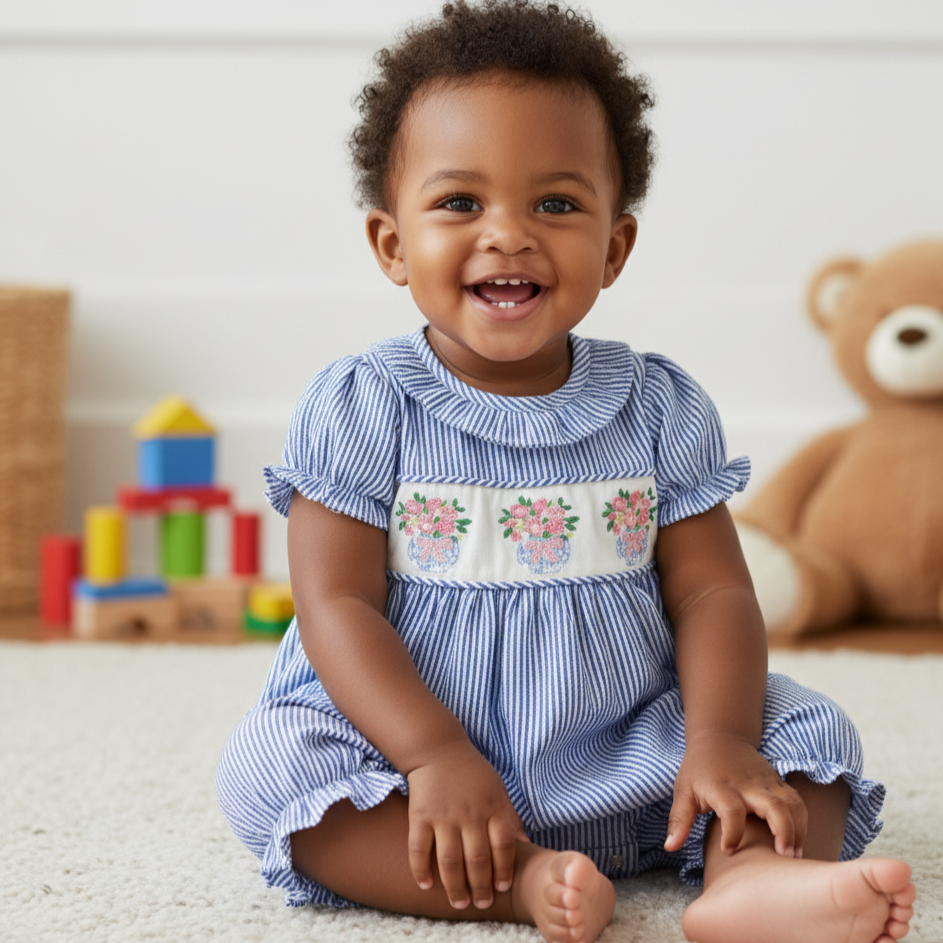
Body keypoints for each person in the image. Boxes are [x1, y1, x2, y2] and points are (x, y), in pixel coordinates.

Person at [216, 3, 916, 941]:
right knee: (272, 764)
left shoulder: (658, 405)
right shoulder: (362, 403)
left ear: (614, 247)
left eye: (554, 204)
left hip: (628, 750)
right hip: (416, 764)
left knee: (804, 728)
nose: (508, 234)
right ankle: (520, 883)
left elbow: (711, 590)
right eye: (459, 203)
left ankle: (746, 879)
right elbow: (334, 603)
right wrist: (430, 753)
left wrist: (715, 738)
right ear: (391, 244)